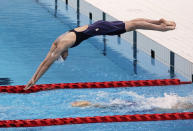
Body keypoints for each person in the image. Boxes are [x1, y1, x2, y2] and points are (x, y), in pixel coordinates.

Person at [24, 18, 176, 90]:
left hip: (99, 28)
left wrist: (34, 79)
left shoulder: (61, 46)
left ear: (61, 54)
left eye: (62, 57)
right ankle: (158, 21)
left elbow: (46, 64)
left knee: (133, 26)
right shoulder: (58, 43)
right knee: (131, 23)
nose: (64, 58)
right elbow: (45, 60)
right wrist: (34, 77)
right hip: (98, 25)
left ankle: (161, 28)